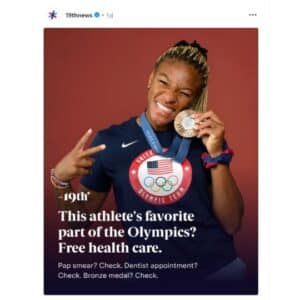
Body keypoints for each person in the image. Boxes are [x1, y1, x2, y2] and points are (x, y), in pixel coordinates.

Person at [51, 40, 245, 291]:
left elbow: (232, 224)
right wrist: (60, 180)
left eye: (184, 93)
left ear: (194, 99)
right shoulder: (110, 141)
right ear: (150, 78)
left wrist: (217, 153)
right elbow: (78, 222)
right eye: (163, 82)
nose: (169, 97)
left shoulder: (206, 139)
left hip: (217, 274)